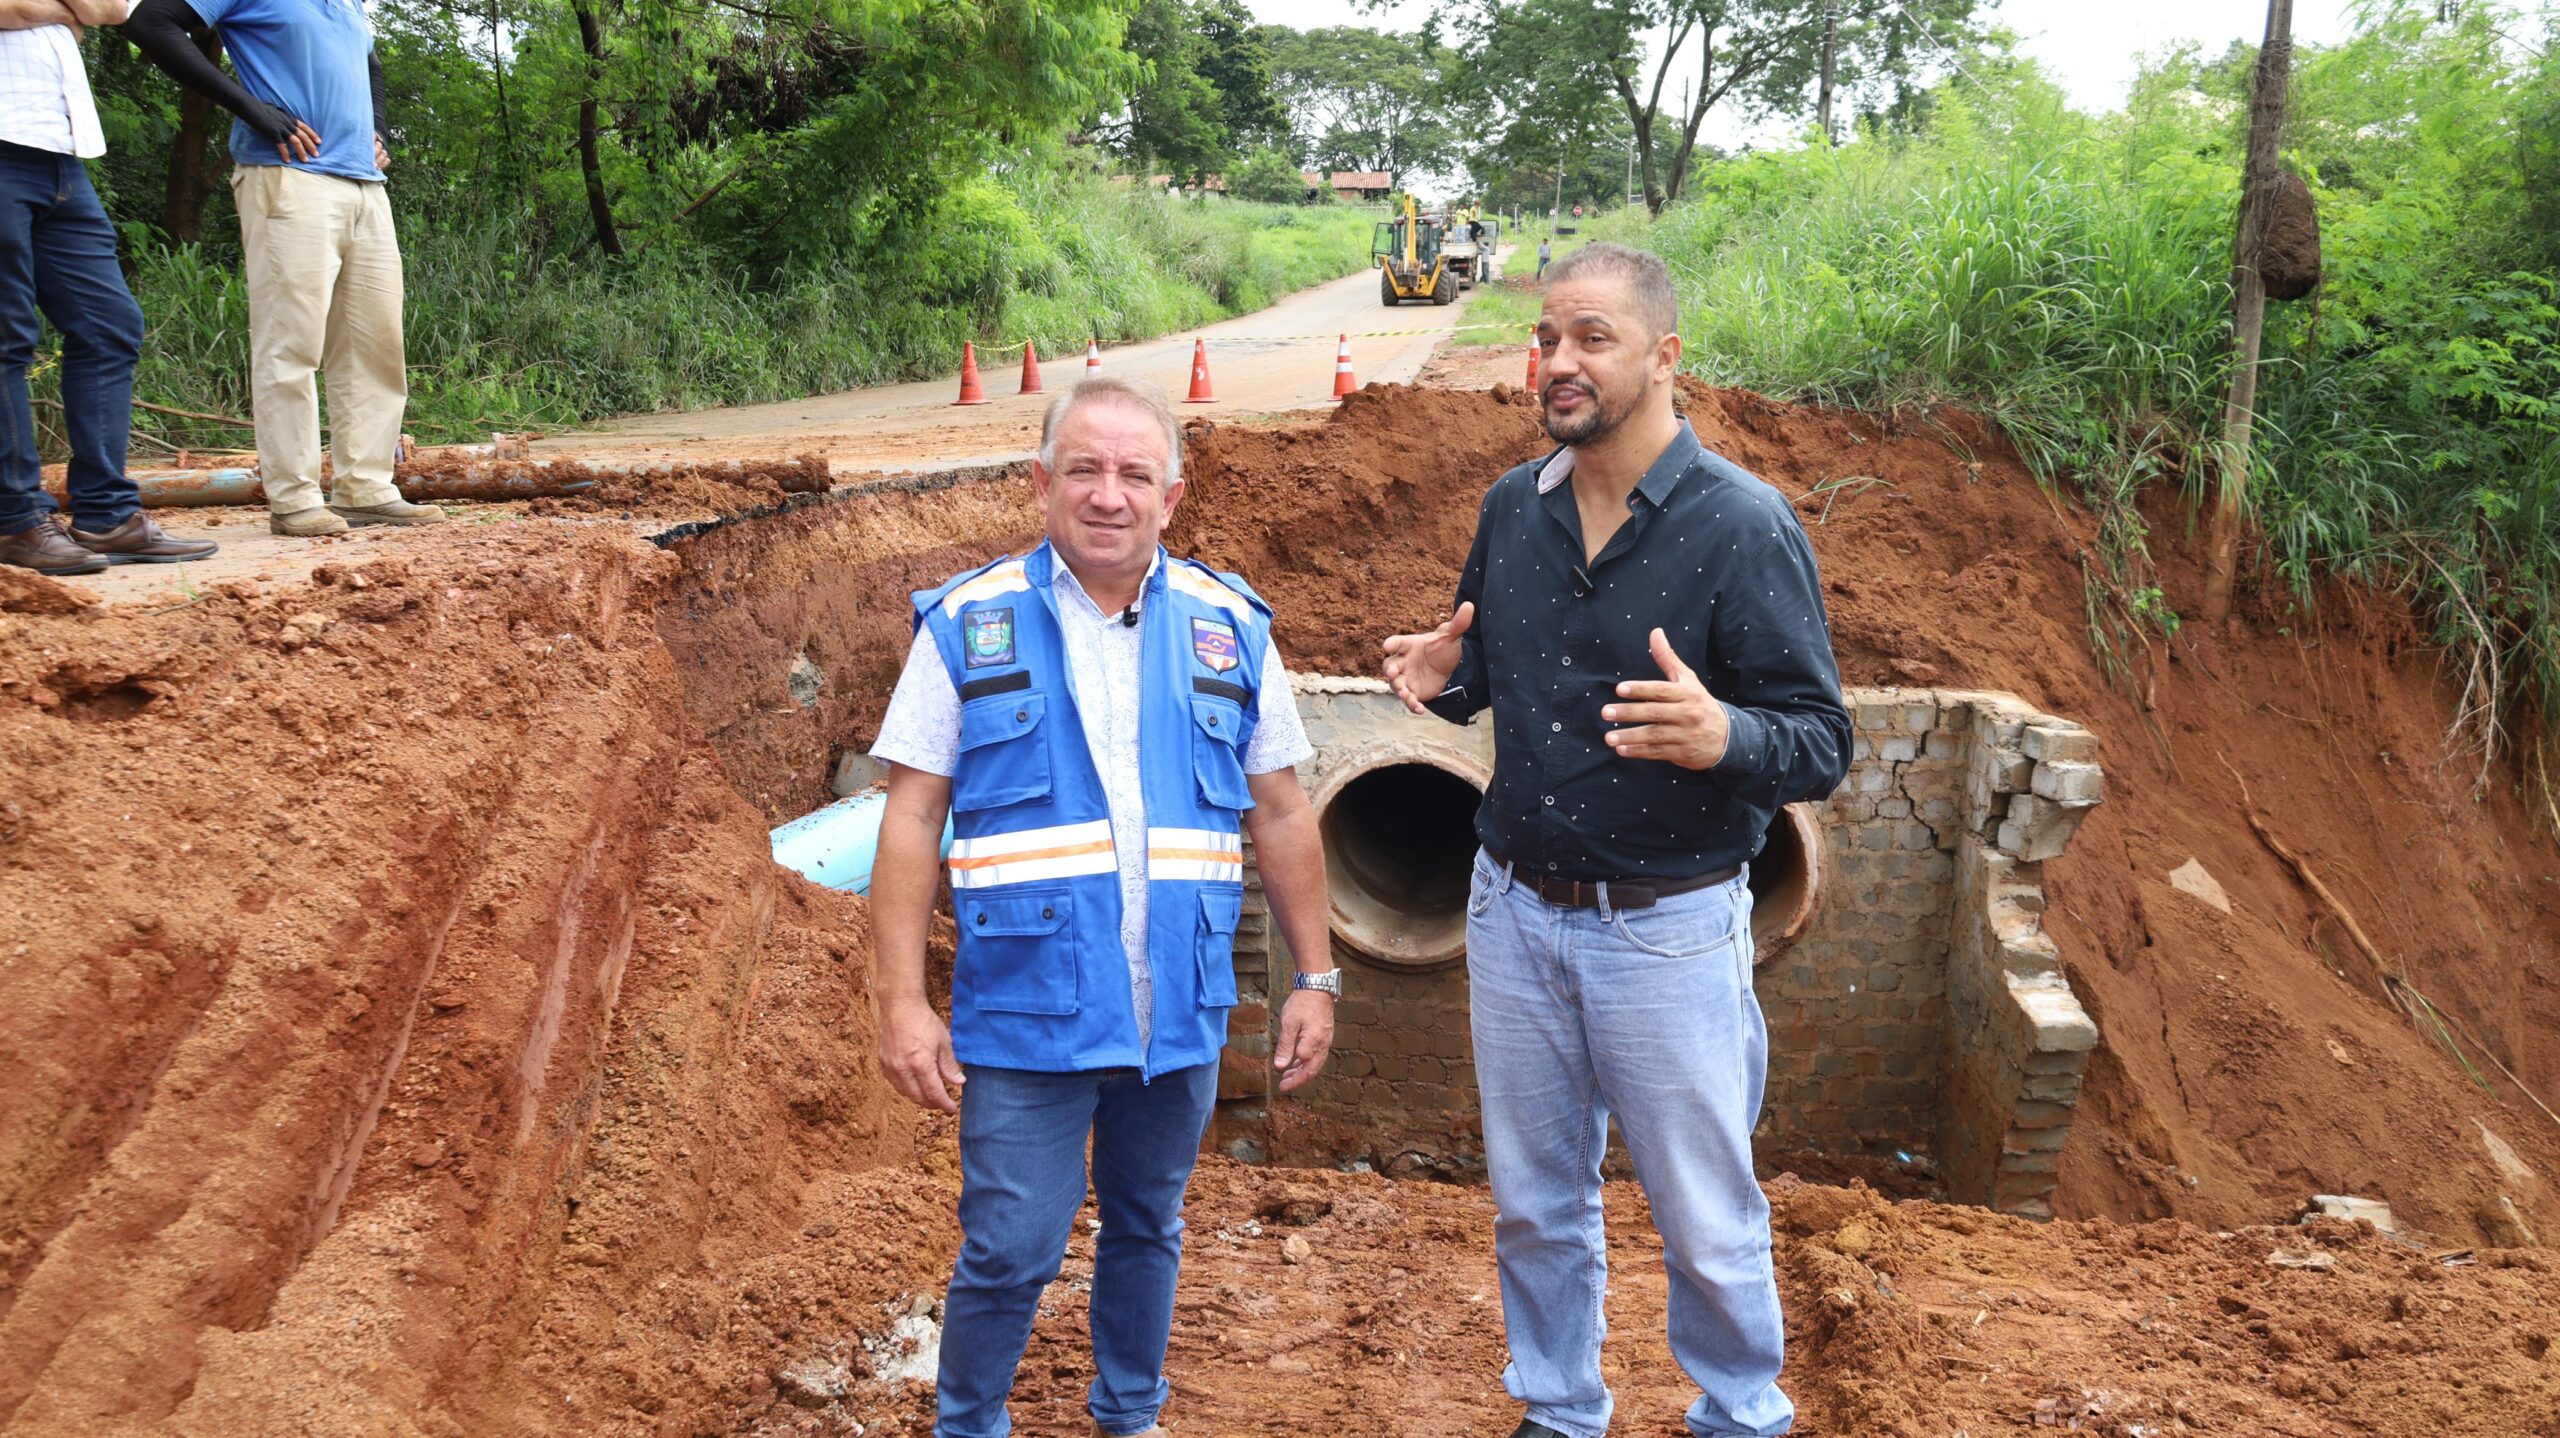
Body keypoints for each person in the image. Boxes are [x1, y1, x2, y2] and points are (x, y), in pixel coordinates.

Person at [1381, 244, 1850, 1438]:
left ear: (1663, 357)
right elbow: (1483, 674)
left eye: (1591, 336)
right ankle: (1558, 1408)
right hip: (1513, 913)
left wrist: (1721, 732)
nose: (1559, 360)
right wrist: (1437, 679)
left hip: (1666, 930)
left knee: (1701, 1208)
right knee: (1536, 1203)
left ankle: (1740, 1410)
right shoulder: (1511, 509)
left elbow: (1819, 741)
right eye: (1547, 338)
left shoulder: (1744, 525)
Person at [868, 375, 1340, 1438]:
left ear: (1171, 496)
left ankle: (1130, 1413)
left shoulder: (1230, 628)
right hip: (1026, 1012)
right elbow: (909, 818)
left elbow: (1279, 809)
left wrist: (1316, 976)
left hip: (1176, 1004)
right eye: (1083, 469)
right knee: (1009, 1241)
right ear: (1041, 484)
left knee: (1147, 1220)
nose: (1108, 495)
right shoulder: (968, 625)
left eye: (1135, 474)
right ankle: (969, 1422)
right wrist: (901, 1000)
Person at [128, 0, 442, 537]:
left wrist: (381, 129)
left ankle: (365, 488)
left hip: (365, 185)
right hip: (288, 177)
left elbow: (369, 64)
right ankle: (294, 499)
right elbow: (150, 22)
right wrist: (251, 107)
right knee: (291, 343)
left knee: (375, 345)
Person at [0, 0, 218, 574]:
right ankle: (15, 520)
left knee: (109, 326)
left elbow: (112, 8)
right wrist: (60, 12)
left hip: (62, 154)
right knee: (6, 336)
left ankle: (106, 515)